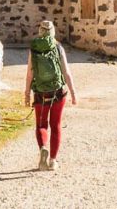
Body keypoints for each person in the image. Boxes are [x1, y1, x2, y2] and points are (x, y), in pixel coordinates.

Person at [24, 20, 77, 172]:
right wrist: (73, 93)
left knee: (41, 125)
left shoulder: (33, 49)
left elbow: (30, 73)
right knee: (56, 125)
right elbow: (66, 72)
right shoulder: (58, 47)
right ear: (53, 31)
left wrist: (27, 94)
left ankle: (42, 149)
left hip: (40, 92)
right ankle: (53, 160)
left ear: (40, 31)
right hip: (58, 92)